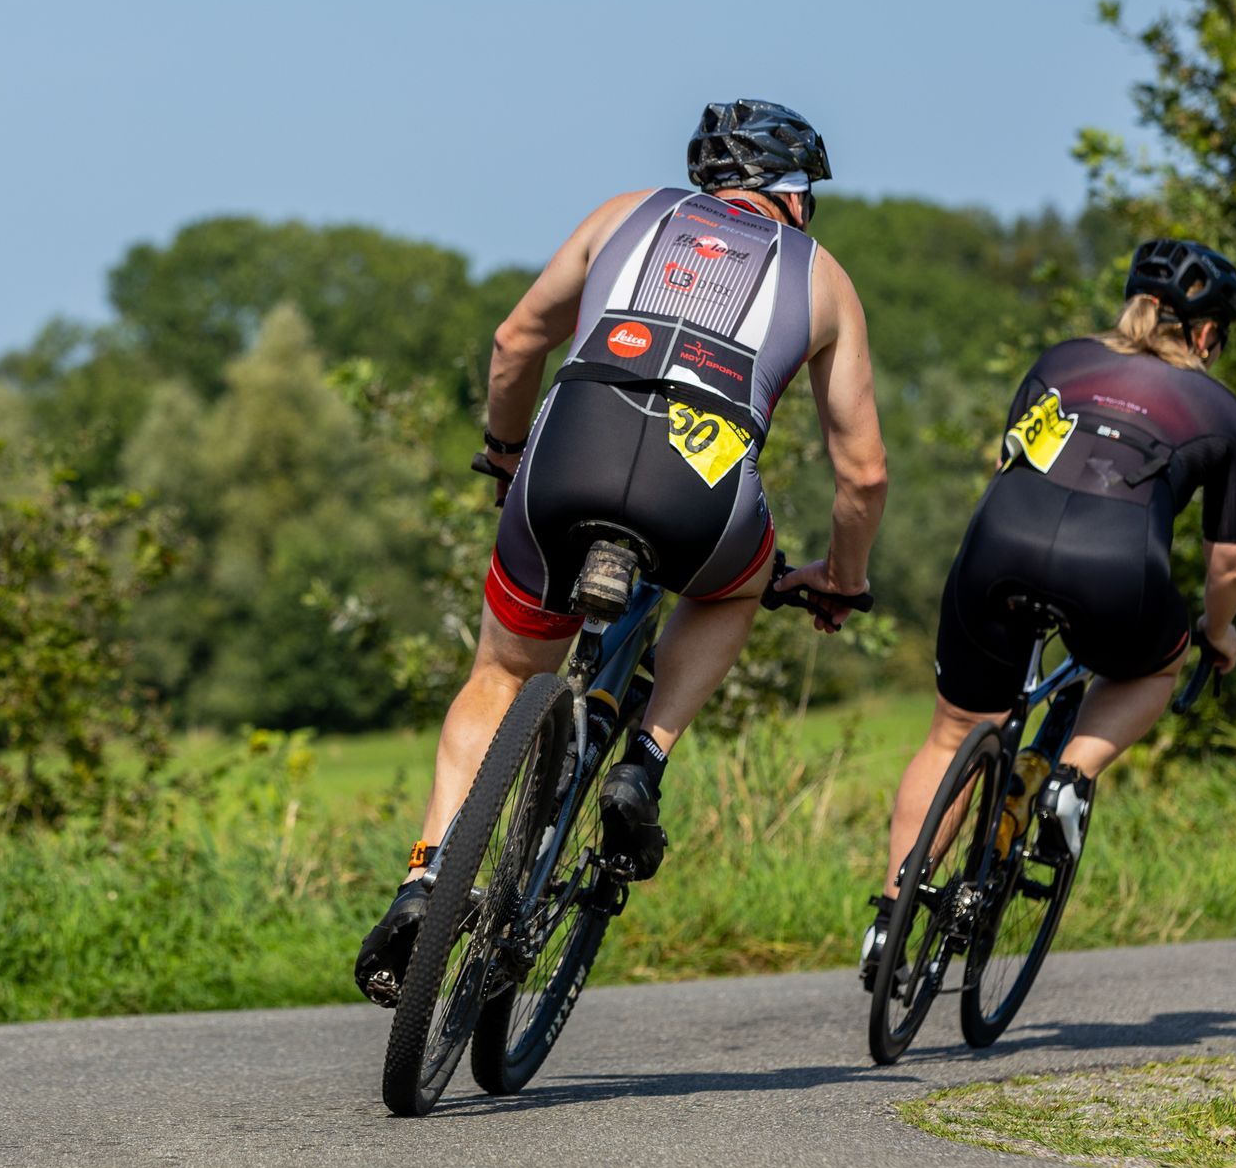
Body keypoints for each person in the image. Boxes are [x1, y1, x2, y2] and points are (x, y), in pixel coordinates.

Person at [356, 99, 889, 1003]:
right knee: (730, 588)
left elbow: (515, 339)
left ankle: (424, 877)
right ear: (794, 197)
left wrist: (505, 451)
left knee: (496, 677)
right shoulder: (822, 275)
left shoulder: (625, 213)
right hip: (701, 487)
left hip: (570, 456)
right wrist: (839, 579)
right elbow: (864, 475)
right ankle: (645, 758)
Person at [864, 239, 1236, 973]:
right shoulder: (1223, 412)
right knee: (1151, 669)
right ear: (1206, 335)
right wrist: (1218, 631)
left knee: (952, 734)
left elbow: (1007, 462)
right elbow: (1228, 563)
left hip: (1000, 544)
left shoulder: (1061, 360)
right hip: (1117, 566)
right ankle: (1071, 778)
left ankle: (889, 920)